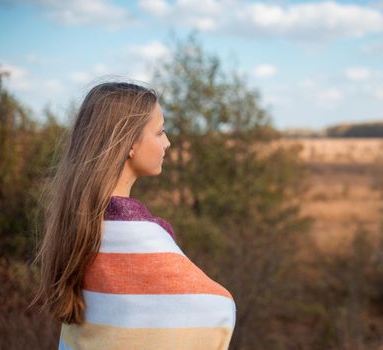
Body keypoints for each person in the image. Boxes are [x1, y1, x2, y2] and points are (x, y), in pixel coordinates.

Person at [31, 81, 237, 349]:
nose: (167, 142)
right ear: (130, 143)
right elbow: (215, 309)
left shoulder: (76, 220)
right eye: (160, 132)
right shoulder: (138, 233)